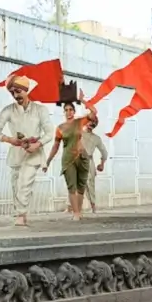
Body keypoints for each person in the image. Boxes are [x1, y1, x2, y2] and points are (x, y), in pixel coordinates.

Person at [0, 75, 54, 227]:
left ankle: (20, 215)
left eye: (18, 91)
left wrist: (37, 144)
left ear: (26, 90)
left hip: (34, 152)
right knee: (16, 185)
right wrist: (9, 139)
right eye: (12, 92)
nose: (15, 95)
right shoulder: (8, 110)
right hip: (16, 153)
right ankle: (23, 212)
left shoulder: (40, 110)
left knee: (24, 183)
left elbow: (50, 133)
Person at [44, 90, 97, 221]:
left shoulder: (80, 122)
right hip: (68, 159)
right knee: (71, 186)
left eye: (70, 110)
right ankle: (76, 213)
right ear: (64, 112)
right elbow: (55, 146)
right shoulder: (60, 128)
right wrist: (48, 161)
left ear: (74, 111)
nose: (68, 112)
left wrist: (82, 100)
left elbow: (94, 112)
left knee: (81, 186)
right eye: (66, 110)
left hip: (82, 157)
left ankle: (79, 211)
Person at [64, 118, 108, 213]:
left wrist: (102, 164)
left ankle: (93, 207)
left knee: (89, 184)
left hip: (88, 161)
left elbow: (104, 152)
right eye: (90, 121)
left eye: (94, 123)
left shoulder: (96, 138)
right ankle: (69, 207)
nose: (91, 124)